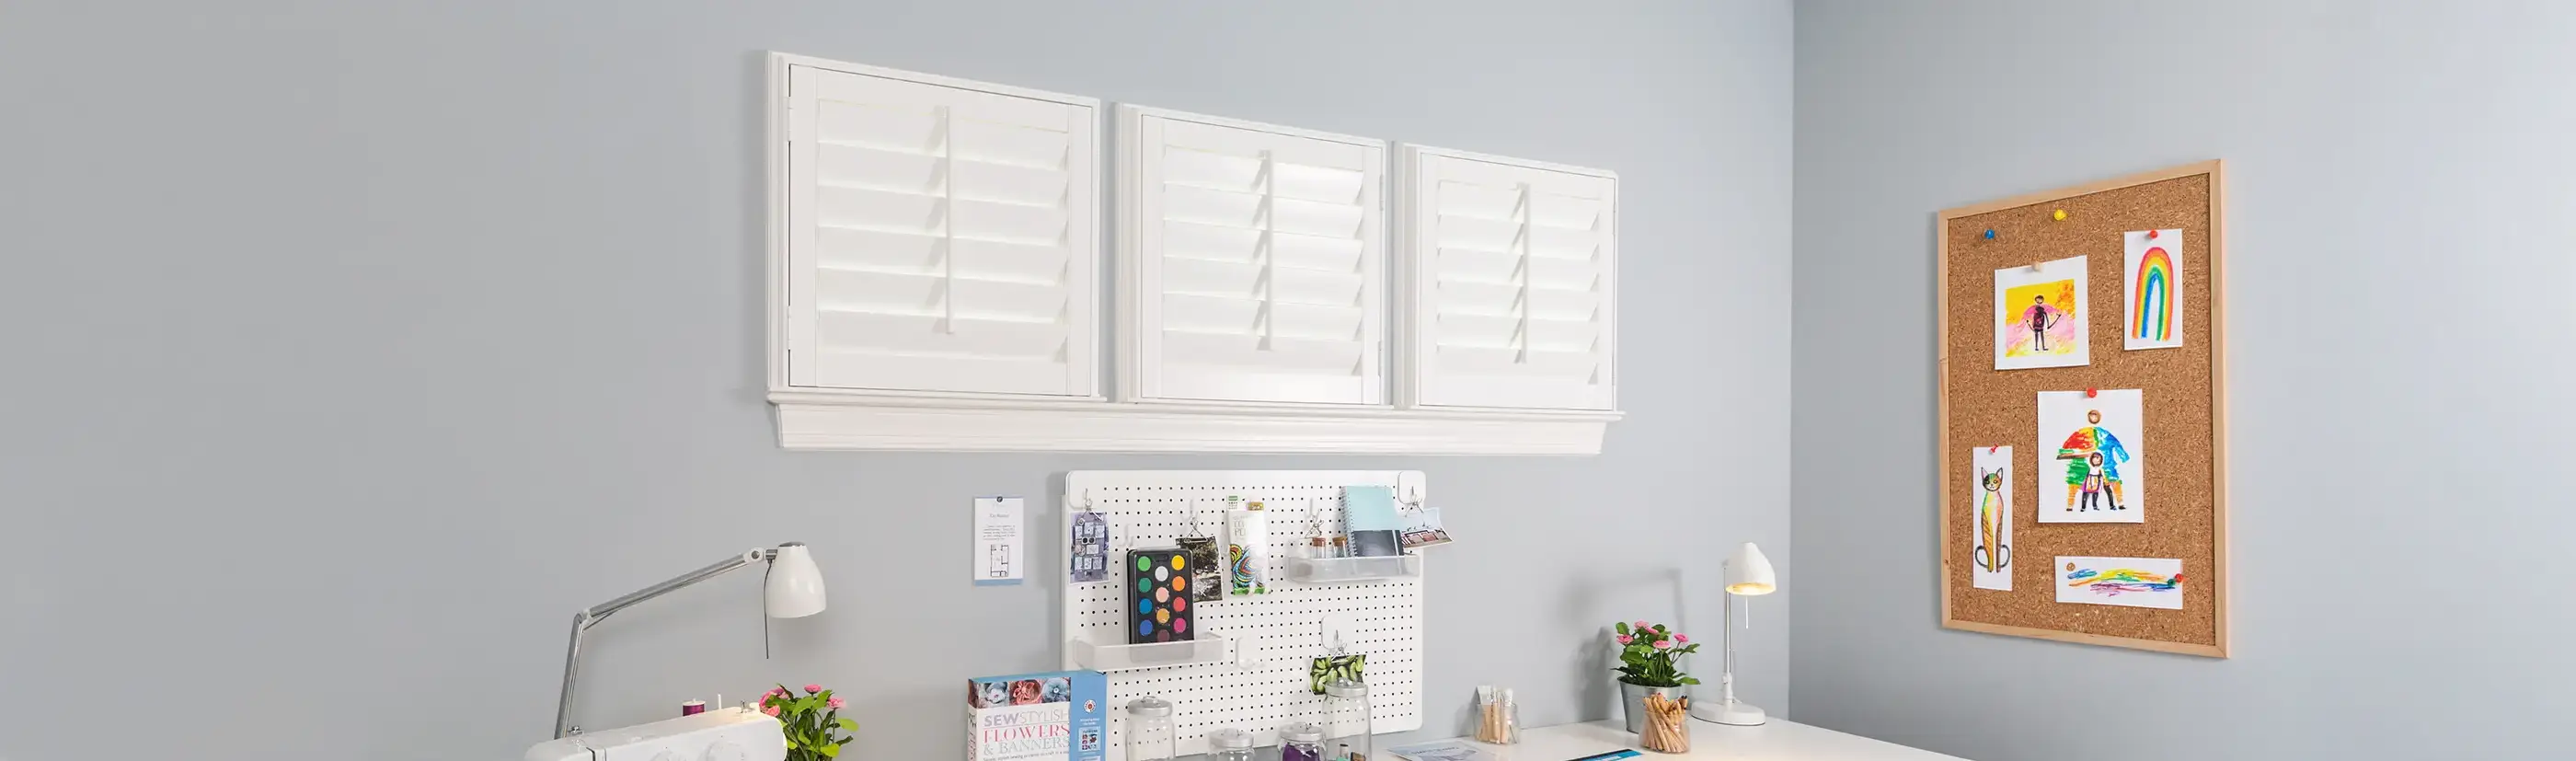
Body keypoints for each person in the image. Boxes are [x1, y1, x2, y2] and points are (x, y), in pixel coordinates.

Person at [2057, 409, 2130, 510]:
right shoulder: (2081, 435)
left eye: (2095, 417)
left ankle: (2118, 504)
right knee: (2080, 488)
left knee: (2110, 485)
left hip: (2107, 466)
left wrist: (2123, 457)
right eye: (2092, 416)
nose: (2093, 419)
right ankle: (2071, 506)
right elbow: (2063, 452)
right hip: (2084, 468)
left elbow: (2116, 445)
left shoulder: (2104, 435)